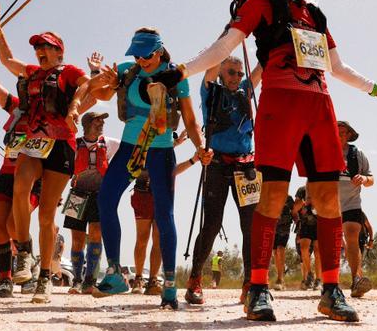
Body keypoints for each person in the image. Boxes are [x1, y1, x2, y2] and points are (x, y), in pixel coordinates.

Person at [152, 0, 377, 322]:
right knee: (272, 195)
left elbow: (337, 68)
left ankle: (331, 290)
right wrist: (181, 71)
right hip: (279, 105)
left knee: (329, 198)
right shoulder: (260, 3)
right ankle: (257, 288)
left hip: (319, 106)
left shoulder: (316, 15)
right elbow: (225, 46)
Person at [87, 27, 212, 309]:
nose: (141, 60)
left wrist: (199, 147)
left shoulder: (175, 76)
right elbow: (100, 94)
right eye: (137, 55)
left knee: (164, 214)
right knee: (106, 199)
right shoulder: (128, 71)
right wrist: (98, 76)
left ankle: (168, 284)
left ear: (158, 51)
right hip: (131, 146)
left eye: (146, 55)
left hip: (161, 149)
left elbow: (191, 121)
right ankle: (115, 272)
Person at [0, 4, 90, 303]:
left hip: (62, 143)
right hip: (34, 140)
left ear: (59, 51)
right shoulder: (32, 72)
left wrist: (74, 106)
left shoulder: (68, 70)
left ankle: (45, 276)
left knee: (47, 216)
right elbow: (8, 60)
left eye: (45, 47)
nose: (39, 51)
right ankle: (23, 250)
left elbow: (86, 84)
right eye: (37, 47)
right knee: (20, 184)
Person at [184, 56, 262, 305]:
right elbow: (212, 62)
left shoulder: (245, 90)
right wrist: (229, 36)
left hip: (245, 166)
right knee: (212, 224)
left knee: (250, 225)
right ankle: (195, 280)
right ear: (220, 72)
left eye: (239, 74)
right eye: (231, 72)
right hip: (216, 163)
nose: (236, 78)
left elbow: (261, 67)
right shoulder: (210, 90)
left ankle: (250, 283)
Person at [0, 36, 43, 297]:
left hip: (33, 177)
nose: (25, 91)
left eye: (29, 87)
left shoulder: (45, 112)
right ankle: (5, 280)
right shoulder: (15, 108)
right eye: (22, 87)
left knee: (15, 225)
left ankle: (31, 266)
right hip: (6, 174)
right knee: (0, 225)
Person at [130, 132, 197, 296]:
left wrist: (192, 159)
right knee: (142, 237)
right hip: (143, 193)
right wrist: (177, 144)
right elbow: (147, 153)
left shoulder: (167, 153)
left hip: (162, 194)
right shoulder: (142, 143)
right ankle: (138, 279)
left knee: (158, 238)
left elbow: (172, 171)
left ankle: (152, 280)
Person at [64, 111, 120, 295]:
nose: (101, 123)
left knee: (96, 235)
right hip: (77, 195)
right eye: (98, 121)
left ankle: (90, 281)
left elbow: (129, 152)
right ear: (87, 124)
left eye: (102, 121)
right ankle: (77, 280)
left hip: (99, 195)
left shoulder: (110, 143)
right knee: (77, 239)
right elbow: (64, 170)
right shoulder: (74, 143)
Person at [337, 121, 375, 298]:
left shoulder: (357, 154)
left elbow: (371, 178)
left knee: (352, 235)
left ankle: (356, 280)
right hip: (330, 203)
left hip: (352, 203)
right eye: (336, 131)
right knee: (329, 242)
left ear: (349, 135)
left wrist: (364, 179)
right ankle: (329, 282)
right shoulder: (326, 151)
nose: (340, 135)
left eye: (343, 132)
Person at [292, 186, 322, 290]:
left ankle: (318, 280)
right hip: (304, 224)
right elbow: (294, 210)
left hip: (319, 224)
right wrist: (301, 205)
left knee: (318, 252)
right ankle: (309, 274)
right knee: (304, 249)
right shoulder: (301, 190)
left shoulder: (320, 188)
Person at [272, 194, 295, 291]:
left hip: (284, 228)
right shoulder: (269, 196)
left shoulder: (288, 198)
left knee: (280, 249)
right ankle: (280, 276)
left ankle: (280, 279)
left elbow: (294, 212)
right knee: (275, 252)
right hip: (273, 227)